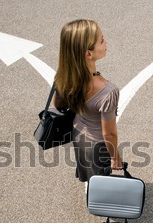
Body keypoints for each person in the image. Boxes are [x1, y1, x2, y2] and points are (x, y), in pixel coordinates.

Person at [53, 19, 123, 186]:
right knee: (103, 181)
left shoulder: (64, 77)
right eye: (101, 40)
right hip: (99, 146)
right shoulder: (108, 92)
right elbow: (109, 134)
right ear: (88, 54)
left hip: (78, 135)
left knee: (89, 170)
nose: (106, 42)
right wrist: (116, 158)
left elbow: (58, 105)